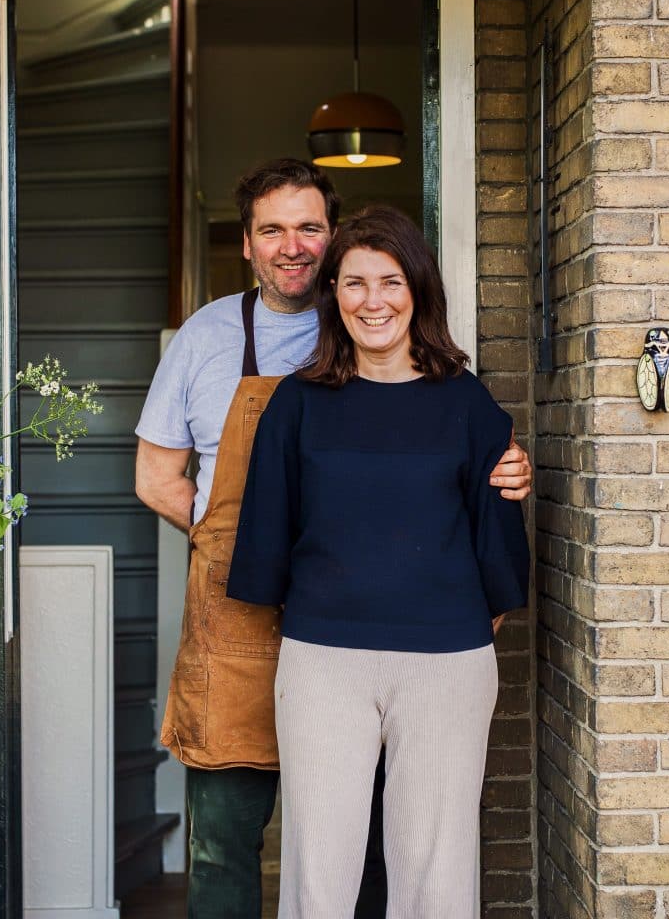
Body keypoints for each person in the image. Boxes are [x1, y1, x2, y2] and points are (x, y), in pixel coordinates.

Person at [134, 161, 533, 918]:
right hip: (262, 621)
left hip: (410, 642)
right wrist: (233, 539)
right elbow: (157, 477)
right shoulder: (217, 341)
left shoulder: (441, 384)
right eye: (272, 230)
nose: (293, 246)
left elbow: (478, 502)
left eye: (309, 228)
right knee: (229, 835)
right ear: (246, 244)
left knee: (402, 850)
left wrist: (509, 472)